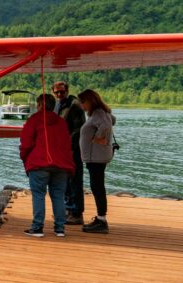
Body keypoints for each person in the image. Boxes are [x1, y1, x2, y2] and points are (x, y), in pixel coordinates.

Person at [19, 92, 75, 238]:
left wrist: (24, 157)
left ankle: (37, 227)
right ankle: (60, 229)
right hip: (61, 165)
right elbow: (67, 144)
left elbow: (26, 143)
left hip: (39, 163)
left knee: (38, 195)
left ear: (39, 105)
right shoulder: (61, 122)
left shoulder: (34, 120)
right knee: (58, 196)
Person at [77, 89, 116, 234]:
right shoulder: (99, 113)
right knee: (97, 186)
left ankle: (102, 221)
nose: (82, 105)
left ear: (90, 101)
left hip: (96, 158)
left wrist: (97, 138)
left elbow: (106, 125)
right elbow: (112, 120)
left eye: (83, 102)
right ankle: (101, 218)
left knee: (97, 187)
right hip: (96, 157)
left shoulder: (98, 112)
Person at [51, 81, 87, 225]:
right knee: (64, 180)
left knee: (75, 180)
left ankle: (77, 213)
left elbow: (79, 129)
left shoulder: (75, 105)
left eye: (62, 92)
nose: (59, 95)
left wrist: (69, 146)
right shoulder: (57, 105)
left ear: (67, 91)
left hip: (72, 150)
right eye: (57, 92)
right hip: (60, 150)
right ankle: (67, 209)